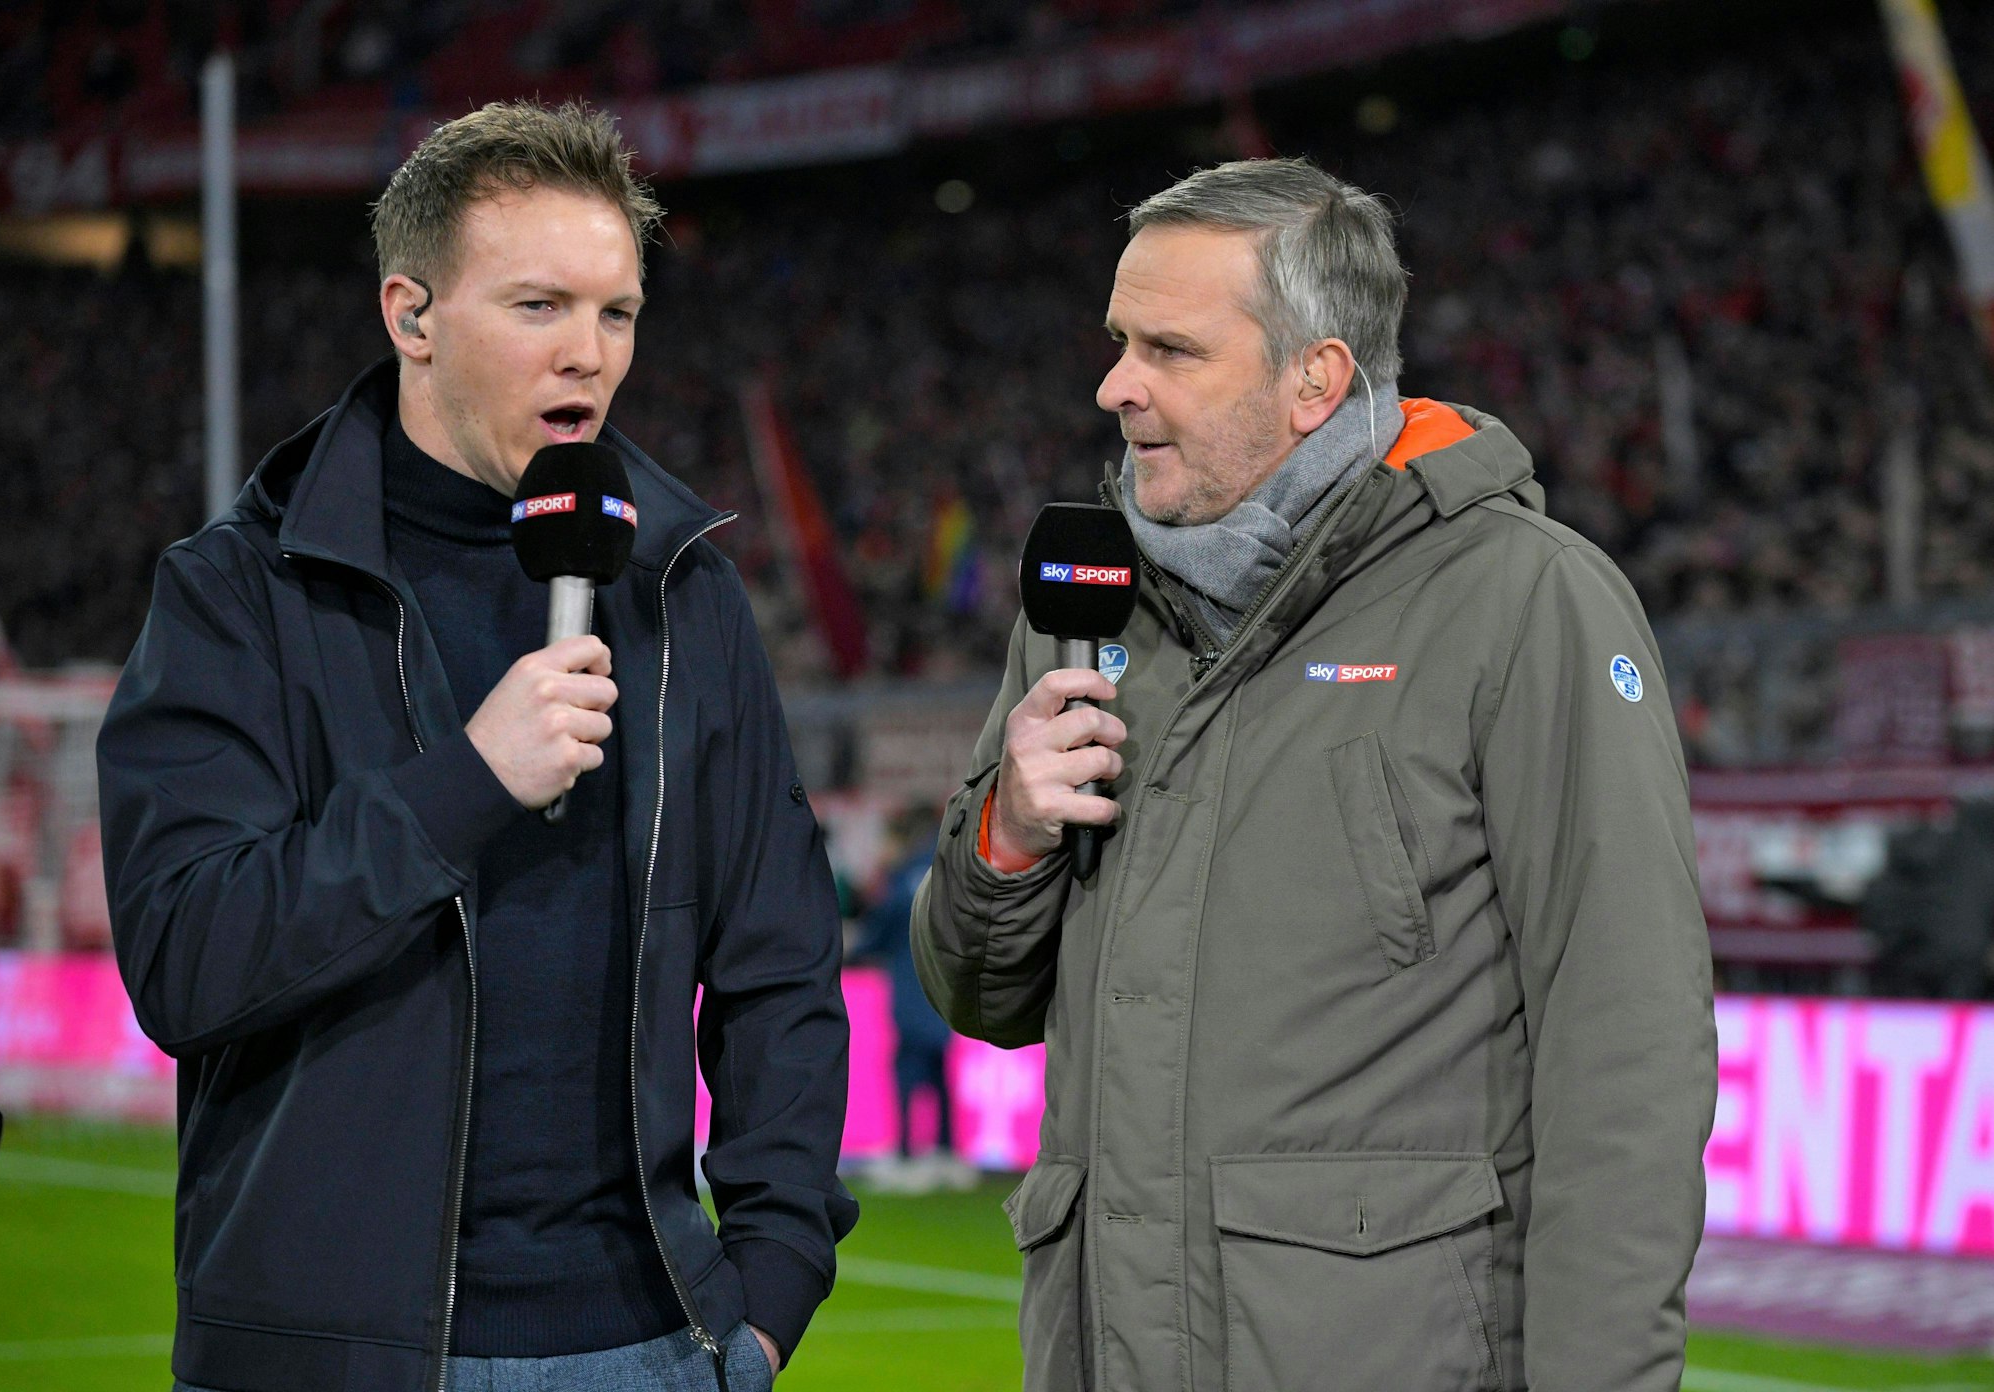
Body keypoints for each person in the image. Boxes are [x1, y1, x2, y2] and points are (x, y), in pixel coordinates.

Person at [912, 157, 1717, 1391]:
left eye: (1170, 351)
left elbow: (1626, 1054)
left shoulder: (1522, 600)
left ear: (1315, 380)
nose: (1113, 386)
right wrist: (1005, 840)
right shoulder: (1081, 613)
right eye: (1119, 341)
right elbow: (978, 998)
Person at [98, 101, 855, 1392]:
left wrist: (771, 1284)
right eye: (538, 308)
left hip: (652, 1348)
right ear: (411, 316)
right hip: (338, 1361)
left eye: (615, 312)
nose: (589, 356)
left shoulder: (682, 592)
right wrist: (463, 785)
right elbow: (185, 962)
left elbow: (777, 966)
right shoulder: (240, 591)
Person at [853, 803, 977, 1193]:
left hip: (912, 987)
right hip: (948, 988)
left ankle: (908, 1156)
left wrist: (847, 950)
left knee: (907, 1071)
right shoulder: (950, 868)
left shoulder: (904, 873)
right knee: (939, 1071)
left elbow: (881, 930)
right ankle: (946, 1152)